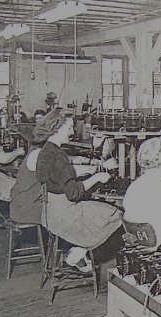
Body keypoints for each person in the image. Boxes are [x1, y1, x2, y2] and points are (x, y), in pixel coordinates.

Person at [35, 109, 122, 272]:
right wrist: (97, 177)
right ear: (57, 128)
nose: (72, 132)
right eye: (69, 128)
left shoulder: (46, 151)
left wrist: (88, 169)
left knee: (100, 210)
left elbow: (59, 177)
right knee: (115, 215)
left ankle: (80, 252)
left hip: (49, 213)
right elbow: (73, 193)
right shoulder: (58, 155)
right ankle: (79, 252)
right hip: (66, 215)